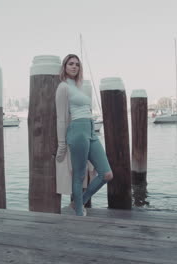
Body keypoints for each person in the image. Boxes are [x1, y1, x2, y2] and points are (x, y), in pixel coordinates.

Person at [55, 54, 113, 216]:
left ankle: (78, 203)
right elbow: (60, 118)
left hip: (90, 129)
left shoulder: (78, 86)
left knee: (106, 174)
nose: (74, 67)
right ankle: (79, 212)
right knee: (79, 176)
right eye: (71, 64)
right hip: (77, 131)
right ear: (64, 67)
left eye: (77, 64)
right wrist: (61, 144)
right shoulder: (63, 87)